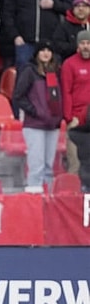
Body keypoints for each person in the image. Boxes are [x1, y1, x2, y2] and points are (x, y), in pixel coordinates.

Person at [13, 40, 63, 192]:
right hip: (34, 125)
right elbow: (18, 96)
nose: (46, 53)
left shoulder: (56, 72)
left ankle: (47, 195)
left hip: (52, 125)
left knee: (49, 165)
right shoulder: (29, 71)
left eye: (49, 50)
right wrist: (35, 111)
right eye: (42, 50)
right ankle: (34, 196)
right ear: (36, 54)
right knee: (37, 164)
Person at [60, 30, 90, 187]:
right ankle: (74, 200)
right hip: (77, 120)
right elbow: (66, 91)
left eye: (88, 43)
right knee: (75, 163)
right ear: (78, 45)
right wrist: (69, 117)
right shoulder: (69, 64)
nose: (86, 47)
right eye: (83, 43)